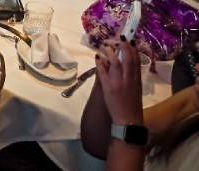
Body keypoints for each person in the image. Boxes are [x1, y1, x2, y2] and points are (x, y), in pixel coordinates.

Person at [81, 41, 199, 171]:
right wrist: (105, 83)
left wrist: (127, 124)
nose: (197, 67)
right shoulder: (194, 104)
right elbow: (100, 146)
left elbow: (125, 132)